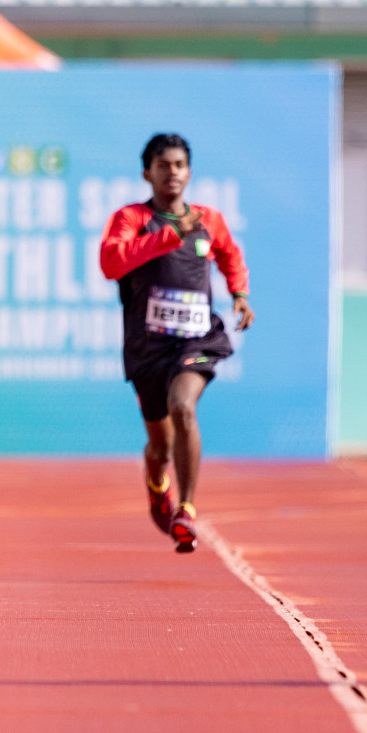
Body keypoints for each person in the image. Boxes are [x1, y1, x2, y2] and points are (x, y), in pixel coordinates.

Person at [99, 133, 253, 552]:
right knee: (160, 444)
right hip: (147, 348)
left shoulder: (209, 219)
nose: (173, 172)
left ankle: (186, 509)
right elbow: (112, 263)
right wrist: (171, 234)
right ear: (147, 172)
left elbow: (229, 255)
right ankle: (156, 478)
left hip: (196, 339)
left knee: (183, 407)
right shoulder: (131, 219)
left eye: (180, 165)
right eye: (164, 165)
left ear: (189, 172)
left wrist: (239, 293)